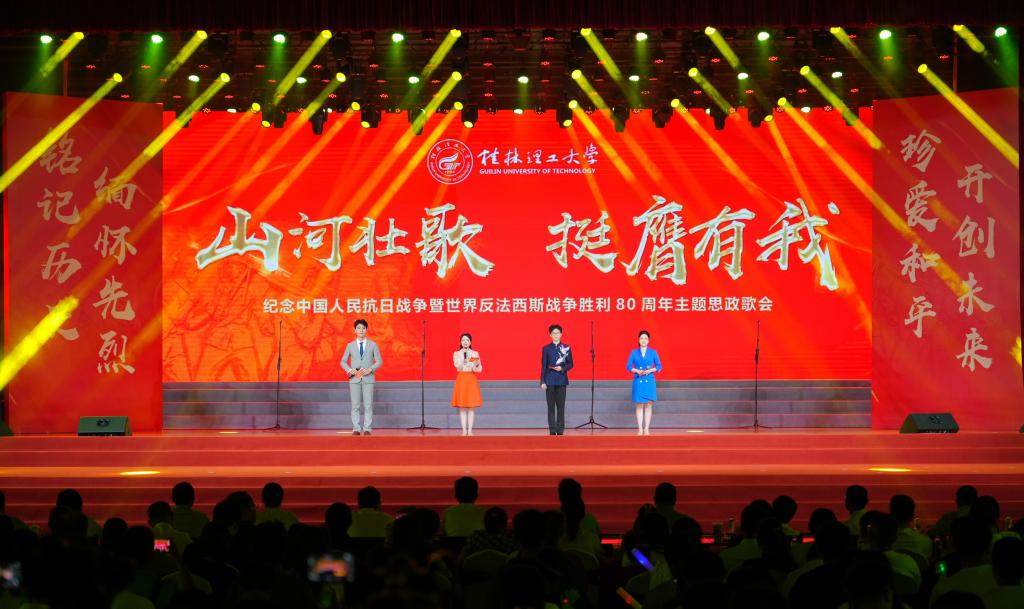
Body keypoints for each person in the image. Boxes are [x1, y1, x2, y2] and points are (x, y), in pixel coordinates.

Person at [339, 318, 383, 435]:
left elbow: (379, 361)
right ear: (355, 330)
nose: (361, 330)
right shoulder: (350, 345)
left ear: (366, 330)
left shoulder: (373, 345)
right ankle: (356, 429)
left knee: (368, 405)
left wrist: (370, 369)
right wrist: (350, 370)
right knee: (355, 406)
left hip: (368, 378)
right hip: (355, 379)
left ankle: (367, 428)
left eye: (363, 328)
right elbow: (343, 361)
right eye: (358, 328)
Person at [626, 330, 662, 435]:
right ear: (638, 340)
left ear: (648, 340)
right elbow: (628, 366)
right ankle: (640, 429)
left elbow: (659, 366)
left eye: (646, 338)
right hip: (638, 380)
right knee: (639, 405)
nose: (643, 340)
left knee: (649, 405)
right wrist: (637, 371)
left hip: (649, 380)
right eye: (641, 338)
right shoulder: (634, 353)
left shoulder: (653, 352)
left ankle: (646, 428)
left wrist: (650, 370)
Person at [540, 324, 573, 435]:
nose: (556, 335)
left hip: (561, 380)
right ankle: (552, 429)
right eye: (553, 333)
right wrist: (543, 381)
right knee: (550, 407)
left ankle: (560, 429)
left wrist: (562, 369)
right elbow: (543, 366)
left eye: (558, 333)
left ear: (561, 334)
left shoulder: (566, 348)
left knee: (560, 406)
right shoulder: (546, 348)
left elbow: (571, 363)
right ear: (550, 335)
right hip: (549, 380)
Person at [451, 333, 483, 435]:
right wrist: (464, 361)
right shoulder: (457, 353)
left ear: (470, 342)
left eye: (467, 340)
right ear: (460, 342)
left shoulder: (474, 353)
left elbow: (479, 369)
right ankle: (464, 430)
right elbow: (457, 366)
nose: (465, 342)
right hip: (462, 379)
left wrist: (476, 364)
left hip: (471, 379)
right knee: (462, 407)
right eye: (463, 340)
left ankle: (470, 431)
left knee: (471, 407)